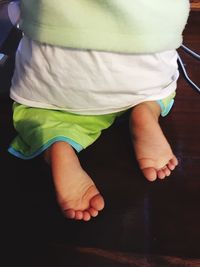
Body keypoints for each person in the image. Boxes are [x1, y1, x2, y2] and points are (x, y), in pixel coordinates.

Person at [8, 0, 190, 221]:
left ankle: (57, 143)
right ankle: (146, 110)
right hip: (143, 71)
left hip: (56, 74)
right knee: (160, 91)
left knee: (36, 111)